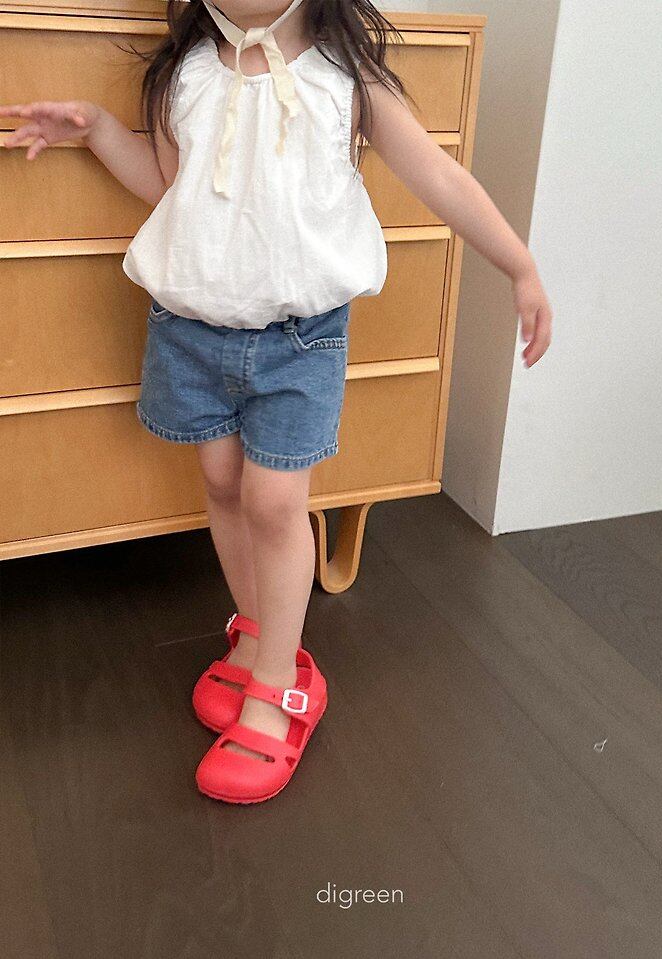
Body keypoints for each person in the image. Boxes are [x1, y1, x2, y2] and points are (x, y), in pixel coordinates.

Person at [0, 0, 553, 805]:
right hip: (192, 327)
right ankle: (261, 635)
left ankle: (276, 687)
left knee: (273, 499)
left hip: (301, 338)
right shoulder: (186, 73)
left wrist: (519, 265)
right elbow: (169, 184)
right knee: (223, 485)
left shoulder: (345, 76)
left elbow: (436, 174)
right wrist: (96, 131)